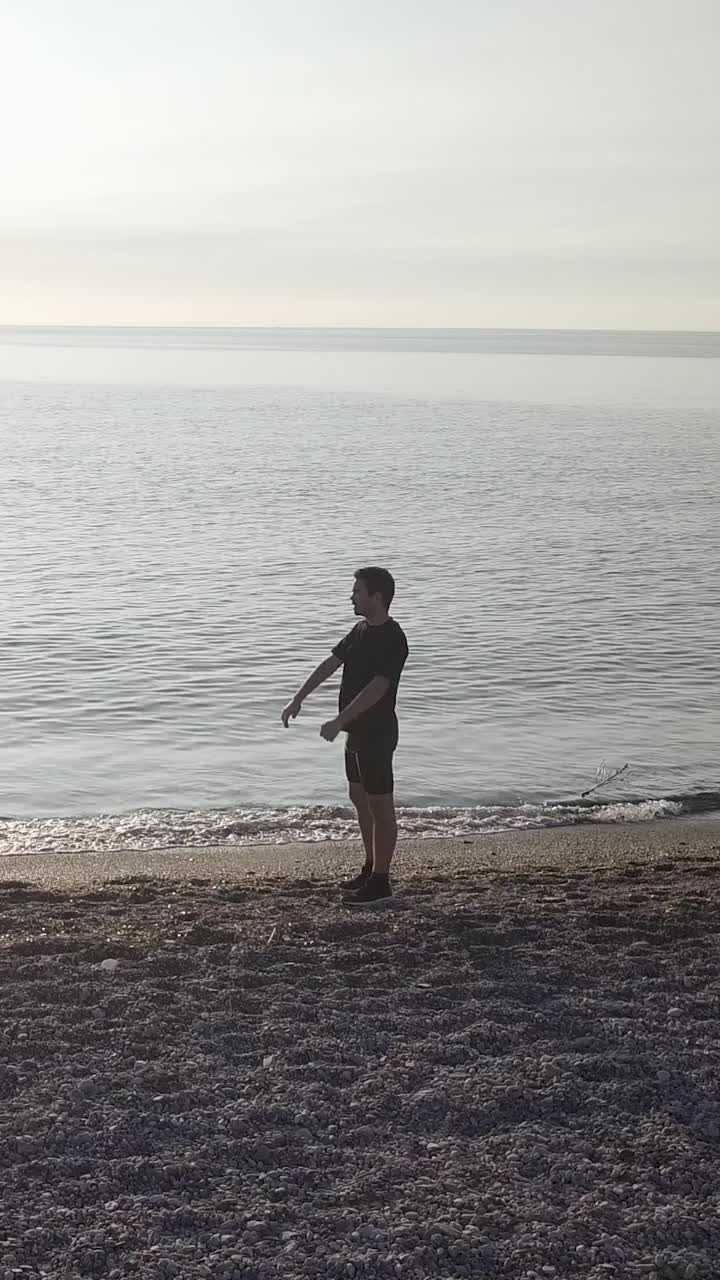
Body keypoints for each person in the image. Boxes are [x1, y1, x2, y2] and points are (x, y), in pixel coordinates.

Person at [281, 566, 409, 906]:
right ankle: (370, 867)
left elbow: (378, 687)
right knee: (359, 798)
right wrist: (299, 697)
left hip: (377, 732)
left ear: (376, 596)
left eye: (357, 592)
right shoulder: (360, 630)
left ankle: (382, 882)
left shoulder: (394, 638)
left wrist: (339, 720)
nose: (351, 597)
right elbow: (330, 663)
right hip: (356, 733)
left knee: (381, 806)